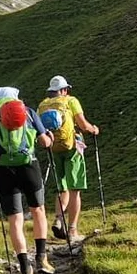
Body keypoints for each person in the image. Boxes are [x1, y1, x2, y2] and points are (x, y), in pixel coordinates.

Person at [0, 86, 56, 274]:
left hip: (4, 170)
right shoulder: (28, 112)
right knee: (38, 210)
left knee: (15, 219)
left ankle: (24, 267)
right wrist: (50, 139)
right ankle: (42, 259)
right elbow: (44, 142)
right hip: (29, 167)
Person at [37, 75, 99, 244]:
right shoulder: (71, 101)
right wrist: (93, 129)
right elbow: (83, 124)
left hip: (54, 148)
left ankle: (58, 218)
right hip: (72, 148)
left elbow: (38, 128)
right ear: (64, 90)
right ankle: (72, 230)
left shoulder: (42, 105)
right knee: (75, 188)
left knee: (61, 187)